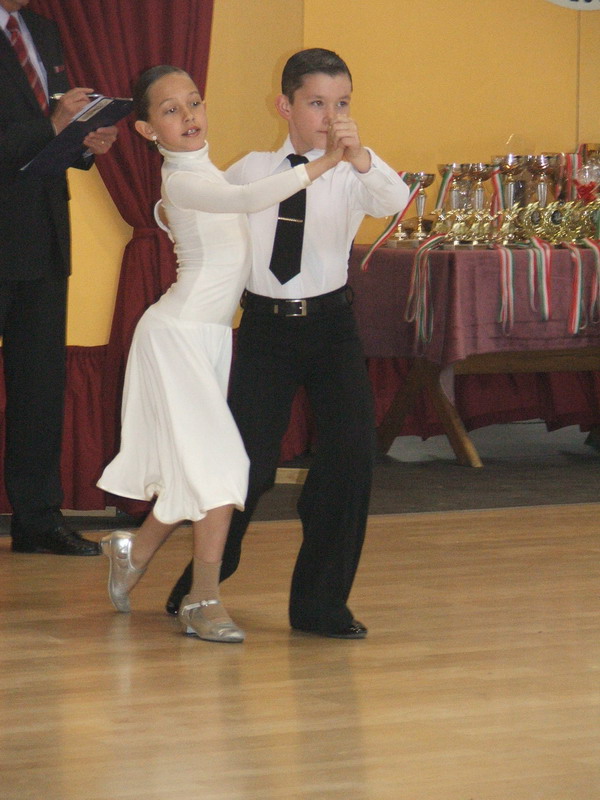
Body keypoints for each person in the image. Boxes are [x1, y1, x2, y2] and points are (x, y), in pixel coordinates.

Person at [164, 48, 409, 639]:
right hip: (267, 330)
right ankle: (201, 585)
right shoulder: (251, 170)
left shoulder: (353, 173)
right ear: (285, 106)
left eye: (342, 103)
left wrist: (360, 157)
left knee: (349, 462)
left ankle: (321, 606)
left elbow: (394, 201)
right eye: (317, 103)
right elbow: (199, 212)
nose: (331, 116)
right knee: (244, 466)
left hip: (332, 328)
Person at [97, 65, 346, 643]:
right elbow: (251, 196)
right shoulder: (184, 181)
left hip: (208, 339)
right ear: (146, 130)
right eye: (170, 110)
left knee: (197, 471)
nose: (189, 116)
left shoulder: (205, 170)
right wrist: (325, 162)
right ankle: (201, 600)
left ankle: (133, 551)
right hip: (176, 337)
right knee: (226, 467)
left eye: (194, 102)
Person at [0, 0, 117, 556]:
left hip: (43, 236)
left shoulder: (42, 31)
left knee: (40, 389)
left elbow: (47, 138)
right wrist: (51, 124)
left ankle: (38, 520)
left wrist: (83, 144)